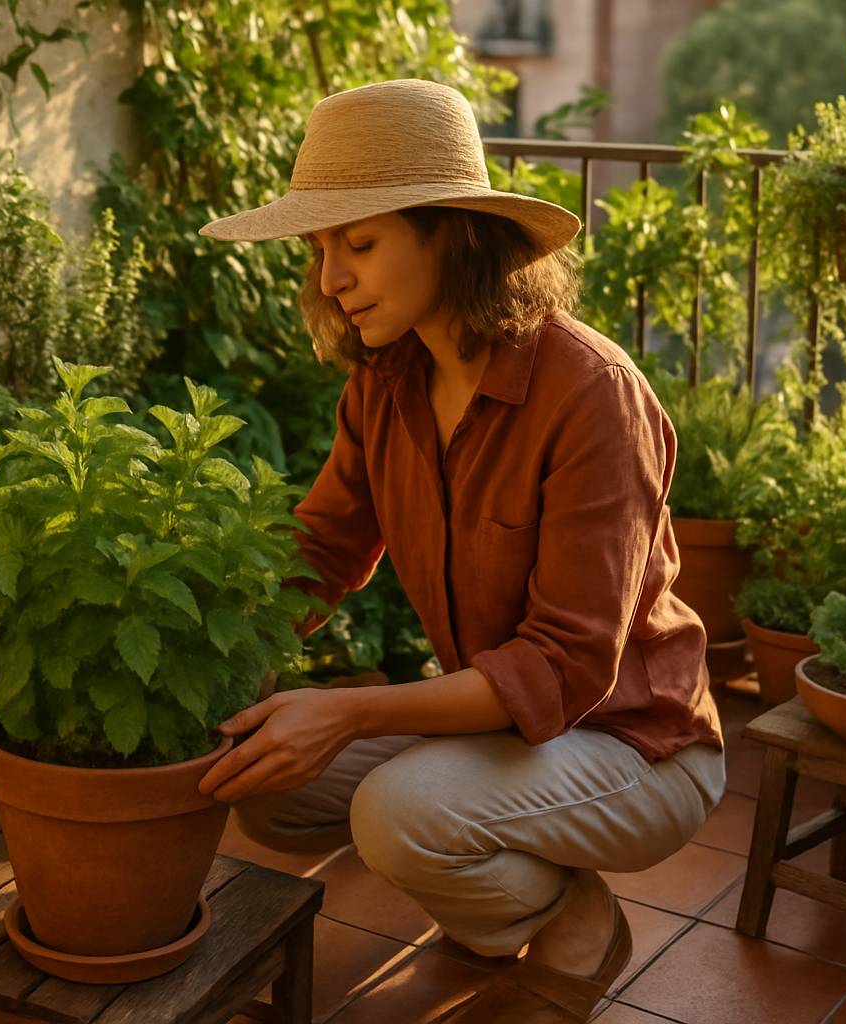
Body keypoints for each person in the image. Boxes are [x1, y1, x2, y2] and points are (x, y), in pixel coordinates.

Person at [194, 78, 725, 1023]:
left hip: (636, 744)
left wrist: (346, 716)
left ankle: (577, 919)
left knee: (397, 811)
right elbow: (320, 547)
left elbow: (565, 666)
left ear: (455, 233)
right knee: (268, 784)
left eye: (359, 243)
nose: (330, 278)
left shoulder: (590, 394)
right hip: (502, 727)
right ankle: (492, 905)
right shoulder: (388, 383)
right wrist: (208, 647)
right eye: (321, 248)